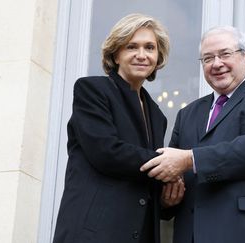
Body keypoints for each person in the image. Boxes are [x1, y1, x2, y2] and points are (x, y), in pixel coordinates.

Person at [141, 25, 245, 243]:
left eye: (225, 54)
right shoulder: (187, 114)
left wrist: (190, 159)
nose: (216, 64)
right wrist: (167, 199)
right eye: (207, 58)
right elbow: (174, 175)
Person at [53, 13, 179, 243]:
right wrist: (168, 168)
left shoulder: (157, 114)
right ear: (116, 54)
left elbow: (142, 179)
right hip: (93, 233)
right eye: (132, 47)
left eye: (150, 48)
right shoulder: (92, 90)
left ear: (158, 56)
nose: (142, 55)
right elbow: (106, 151)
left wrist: (166, 200)